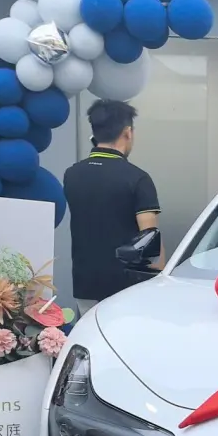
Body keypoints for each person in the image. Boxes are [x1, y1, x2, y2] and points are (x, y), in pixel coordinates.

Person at [64, 100, 163, 315]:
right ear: (127, 132)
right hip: (126, 288)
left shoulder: (72, 174)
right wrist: (161, 281)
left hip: (84, 284)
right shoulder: (138, 178)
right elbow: (150, 242)